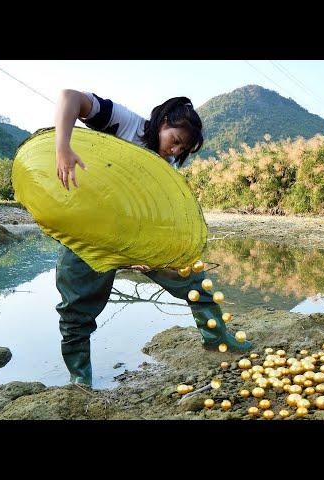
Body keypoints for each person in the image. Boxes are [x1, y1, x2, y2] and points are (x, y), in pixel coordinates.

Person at [54, 89, 252, 386]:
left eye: (182, 150)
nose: (175, 151)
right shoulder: (126, 124)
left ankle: (216, 337)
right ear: (163, 122)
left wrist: (150, 255)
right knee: (76, 309)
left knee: (193, 279)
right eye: (175, 141)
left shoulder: (166, 168)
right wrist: (63, 148)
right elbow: (70, 97)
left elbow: (159, 217)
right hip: (92, 232)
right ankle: (79, 377)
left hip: (138, 238)